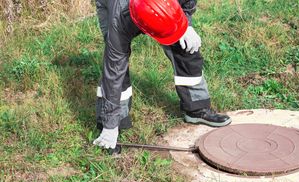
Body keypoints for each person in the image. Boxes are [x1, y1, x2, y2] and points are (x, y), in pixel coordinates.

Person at [93, 0, 232, 150]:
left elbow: (187, 5)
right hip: (118, 9)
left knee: (185, 47)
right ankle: (111, 123)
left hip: (161, 9)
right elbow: (114, 70)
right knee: (118, 66)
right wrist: (110, 126)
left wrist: (186, 24)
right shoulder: (119, 19)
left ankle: (197, 109)